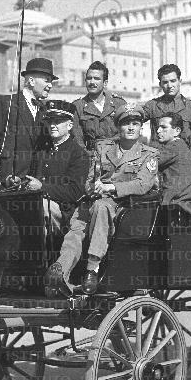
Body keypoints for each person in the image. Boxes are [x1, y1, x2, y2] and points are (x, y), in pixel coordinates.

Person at [44, 103, 159, 297]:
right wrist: (93, 188)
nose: (130, 127)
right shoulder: (103, 148)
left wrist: (111, 187)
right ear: (118, 127)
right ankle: (61, 270)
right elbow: (90, 179)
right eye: (125, 123)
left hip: (126, 207)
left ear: (141, 128)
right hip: (95, 201)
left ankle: (92, 269)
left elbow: (143, 184)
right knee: (77, 227)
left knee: (102, 207)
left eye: (135, 123)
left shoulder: (149, 154)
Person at [0, 57, 55, 193]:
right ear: (31, 81)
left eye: (51, 81)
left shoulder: (46, 112)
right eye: (47, 80)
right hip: (6, 181)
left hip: (34, 184)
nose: (50, 85)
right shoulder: (6, 104)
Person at [24, 100, 90, 239]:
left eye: (58, 121)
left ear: (70, 125)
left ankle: (43, 256)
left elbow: (75, 192)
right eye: (50, 122)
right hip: (40, 203)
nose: (53, 125)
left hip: (65, 209)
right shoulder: (42, 150)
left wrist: (42, 187)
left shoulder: (78, 153)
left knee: (38, 207)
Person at [71, 61, 127, 152]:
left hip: (117, 155)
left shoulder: (119, 104)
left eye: (96, 78)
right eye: (89, 78)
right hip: (91, 156)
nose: (92, 82)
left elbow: (127, 133)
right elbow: (77, 139)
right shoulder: (78, 106)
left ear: (105, 83)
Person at [142, 64, 191, 147]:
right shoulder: (152, 106)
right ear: (160, 84)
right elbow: (134, 120)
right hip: (158, 156)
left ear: (180, 81)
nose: (169, 86)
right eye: (165, 82)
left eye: (173, 81)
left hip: (182, 156)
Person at [155, 113, 191, 215]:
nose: (158, 131)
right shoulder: (180, 146)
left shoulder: (174, 147)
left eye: (163, 127)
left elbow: (150, 164)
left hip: (178, 206)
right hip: (184, 204)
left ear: (177, 131)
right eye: (158, 127)